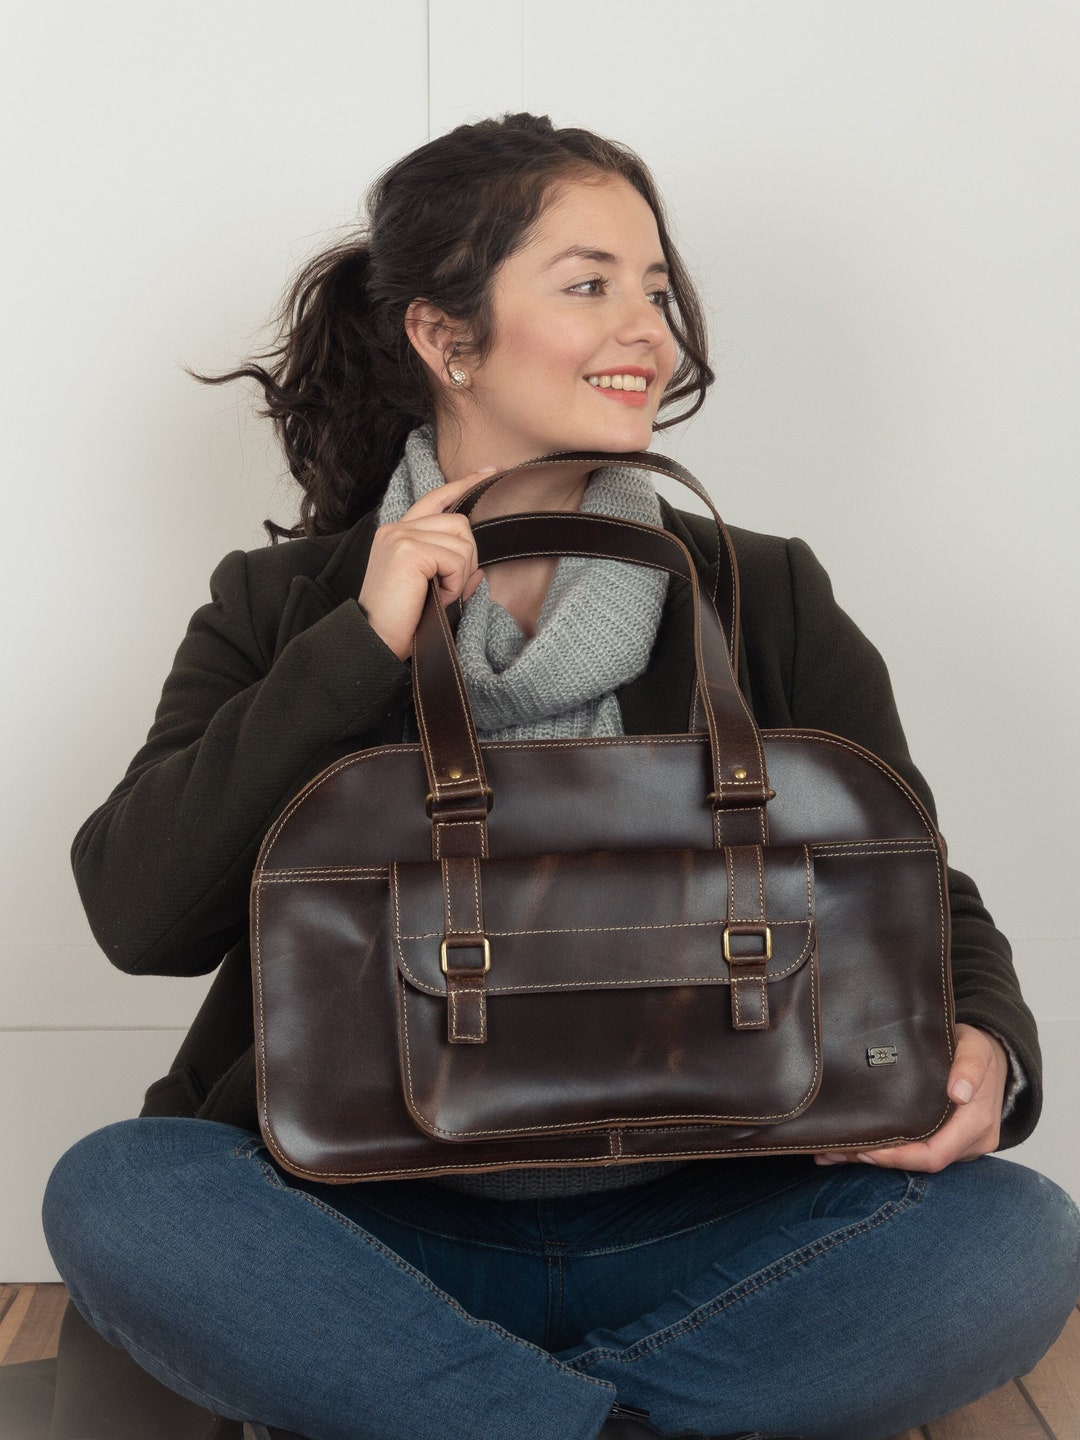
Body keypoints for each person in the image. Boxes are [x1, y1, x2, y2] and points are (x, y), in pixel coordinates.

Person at [40, 113, 1080, 1440]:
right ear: (443, 335)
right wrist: (359, 646)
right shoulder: (285, 602)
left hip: (716, 1209)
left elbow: (925, 889)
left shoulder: (761, 594)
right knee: (121, 1193)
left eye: (656, 288)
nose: (645, 327)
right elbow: (140, 914)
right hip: (367, 1219)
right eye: (588, 283)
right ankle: (615, 1424)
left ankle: (475, 1416)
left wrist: (988, 1044)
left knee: (1015, 1233)